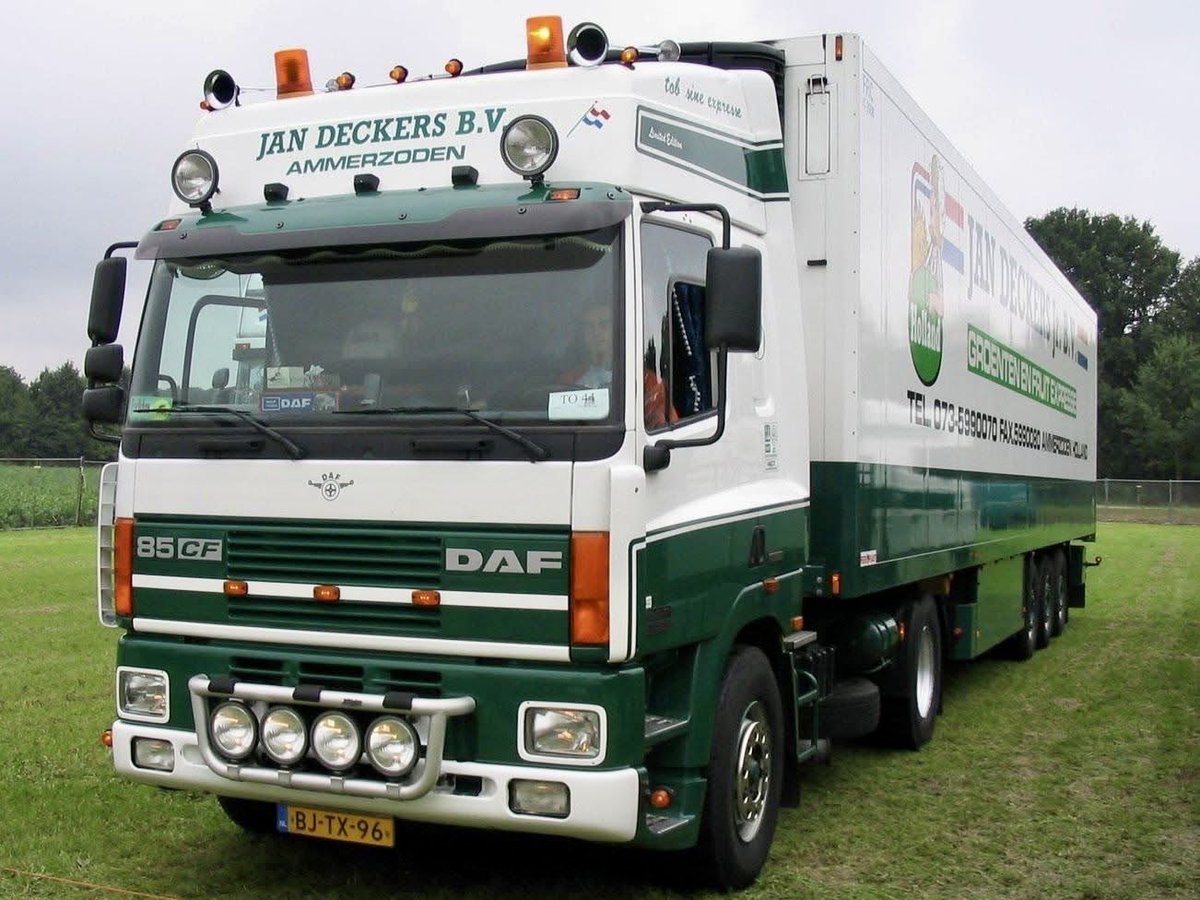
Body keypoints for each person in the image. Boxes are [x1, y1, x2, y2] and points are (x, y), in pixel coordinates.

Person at [559, 304, 613, 388]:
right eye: (590, 327)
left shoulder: (632, 372)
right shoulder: (570, 380)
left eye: (604, 325)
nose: (596, 333)